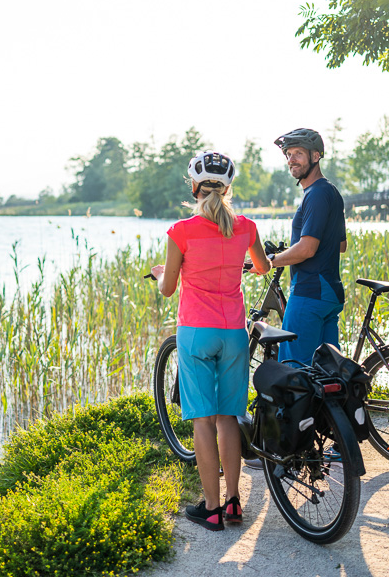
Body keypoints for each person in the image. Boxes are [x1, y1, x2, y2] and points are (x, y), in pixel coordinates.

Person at [151, 151, 271, 531]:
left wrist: (159, 274)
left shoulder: (180, 232)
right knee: (228, 417)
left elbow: (168, 289)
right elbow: (264, 266)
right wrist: (239, 264)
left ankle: (212, 508)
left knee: (202, 421)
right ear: (228, 187)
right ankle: (234, 504)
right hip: (234, 333)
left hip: (196, 334)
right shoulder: (247, 227)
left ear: (194, 187)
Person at [268, 128, 348, 364]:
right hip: (330, 294)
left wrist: (270, 262)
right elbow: (340, 245)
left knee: (294, 372)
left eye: (298, 153)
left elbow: (306, 250)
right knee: (326, 374)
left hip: (309, 293)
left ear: (316, 156)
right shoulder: (330, 191)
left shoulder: (315, 194)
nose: (292, 159)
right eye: (289, 154)